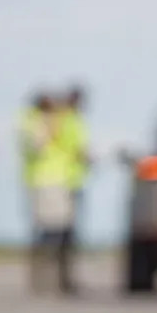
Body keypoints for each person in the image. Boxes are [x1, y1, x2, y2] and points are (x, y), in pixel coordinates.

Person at [18, 92, 76, 294]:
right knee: (47, 232)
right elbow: (38, 147)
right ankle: (42, 277)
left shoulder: (49, 121)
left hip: (58, 182)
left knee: (60, 230)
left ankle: (52, 278)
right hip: (44, 182)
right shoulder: (32, 123)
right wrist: (50, 127)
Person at [55, 85, 92, 280]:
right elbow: (80, 151)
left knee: (62, 231)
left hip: (64, 181)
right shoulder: (70, 121)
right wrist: (88, 159)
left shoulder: (59, 120)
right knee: (66, 233)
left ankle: (63, 275)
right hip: (68, 182)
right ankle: (65, 276)